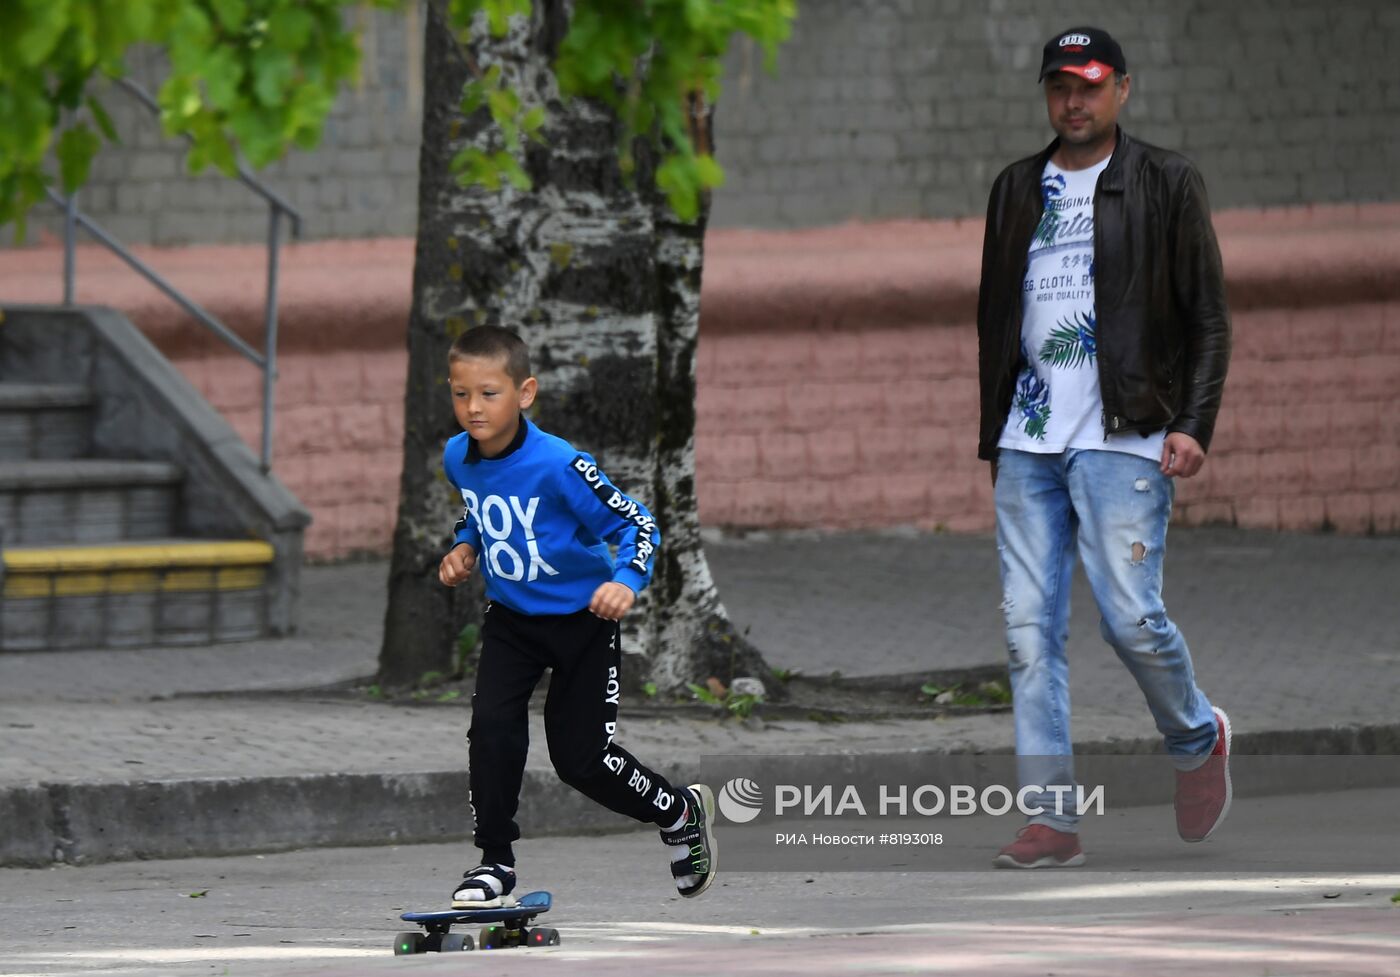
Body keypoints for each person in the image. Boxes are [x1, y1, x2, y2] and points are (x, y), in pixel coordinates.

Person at [975, 26, 1233, 868]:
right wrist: (994, 429)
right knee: (1026, 630)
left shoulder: (1165, 181)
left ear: (1123, 88)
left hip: (1127, 433)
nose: (1073, 102)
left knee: (1129, 615)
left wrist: (1193, 421)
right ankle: (1050, 818)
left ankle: (1197, 736)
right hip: (1028, 438)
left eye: (1089, 85)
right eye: (1060, 87)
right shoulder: (1017, 188)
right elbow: (995, 319)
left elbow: (1207, 316)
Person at [437, 325, 717, 904]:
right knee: (490, 729)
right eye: (461, 394)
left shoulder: (560, 464)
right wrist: (466, 545)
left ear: (525, 392)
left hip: (582, 624)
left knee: (582, 762)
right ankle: (495, 863)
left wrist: (624, 580)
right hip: (512, 620)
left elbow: (636, 523)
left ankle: (678, 810)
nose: (473, 408)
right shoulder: (458, 456)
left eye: (489, 393)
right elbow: (479, 513)